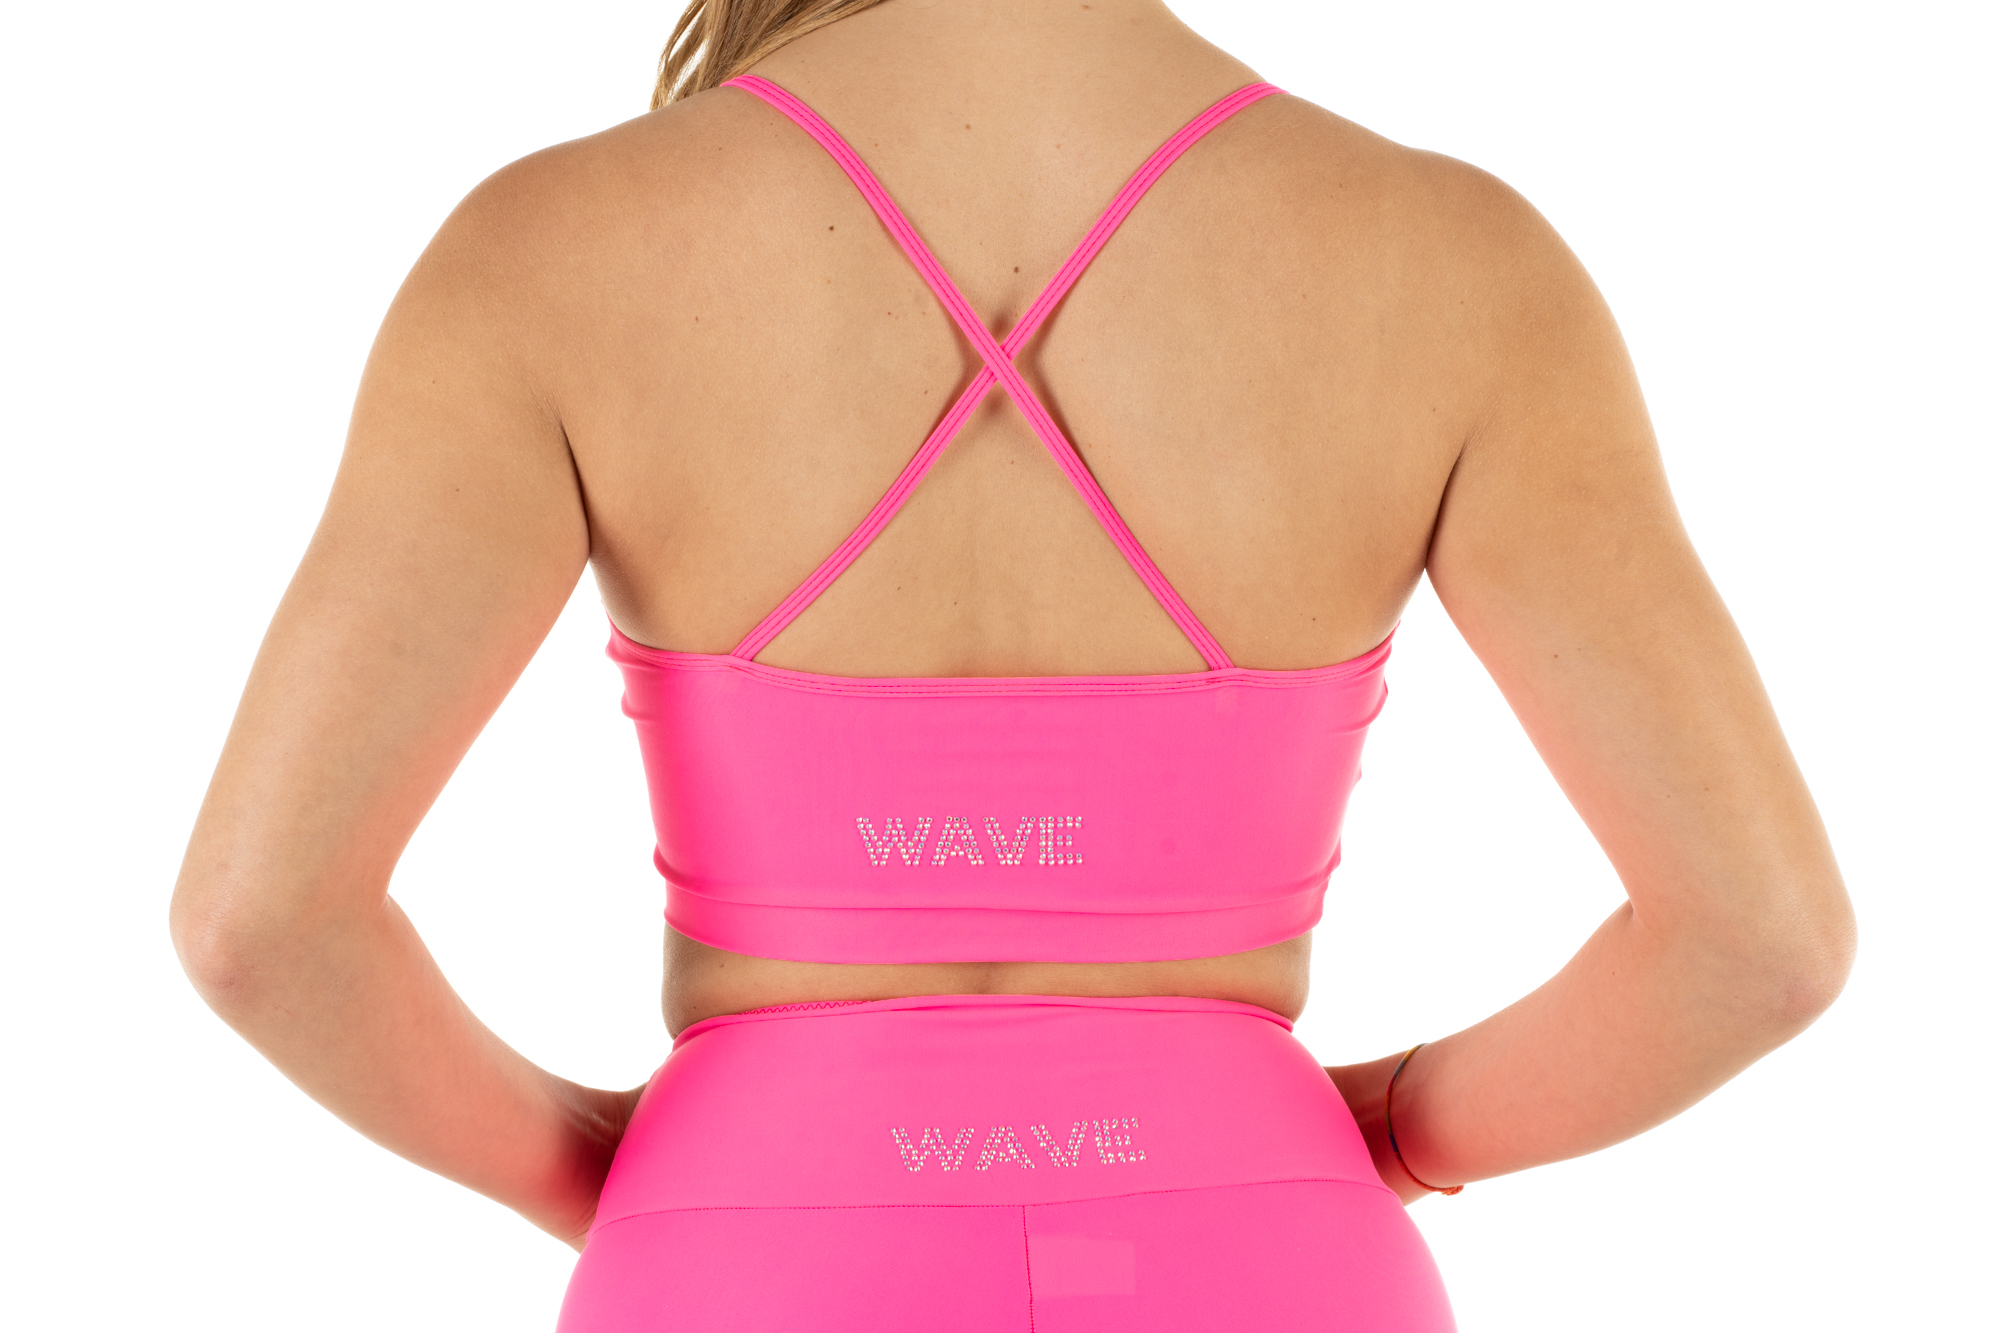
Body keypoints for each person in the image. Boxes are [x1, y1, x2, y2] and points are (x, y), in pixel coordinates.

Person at [169, 1, 1857, 1328]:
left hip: (751, 1259)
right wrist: (1399, 1127)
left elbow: (263, 924)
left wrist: (634, 1175)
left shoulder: (546, 250)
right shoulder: (1461, 262)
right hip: (1267, 1251)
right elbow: (1758, 943)